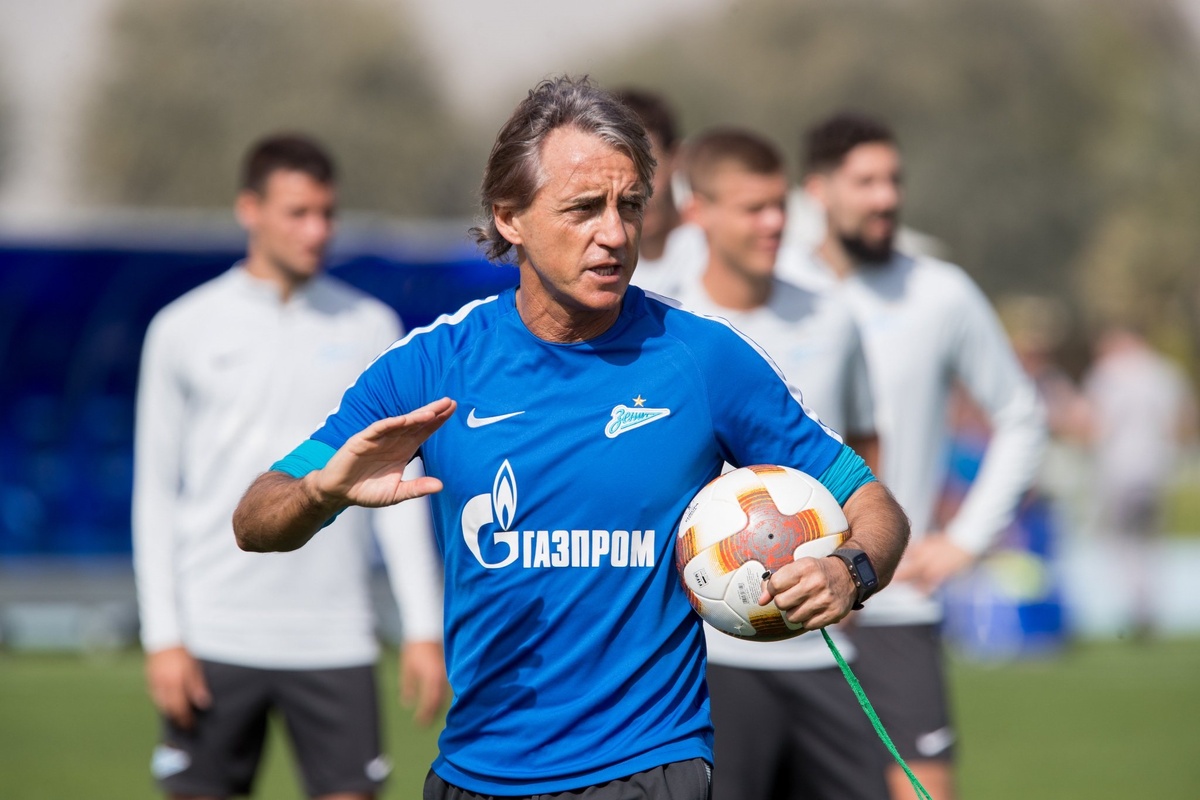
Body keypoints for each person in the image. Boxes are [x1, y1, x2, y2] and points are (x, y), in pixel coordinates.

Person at [231, 77, 911, 800]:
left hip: (647, 766)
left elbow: (872, 503)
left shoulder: (704, 358)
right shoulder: (434, 364)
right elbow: (256, 518)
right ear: (510, 218)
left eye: (630, 206)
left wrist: (850, 571)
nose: (615, 234)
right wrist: (319, 494)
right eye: (584, 208)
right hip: (473, 772)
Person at [133, 134, 448, 800]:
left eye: (327, 214)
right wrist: (162, 636)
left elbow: (393, 490)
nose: (317, 231)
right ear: (250, 209)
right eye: (298, 213)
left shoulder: (371, 326)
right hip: (214, 631)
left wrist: (423, 625)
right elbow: (155, 495)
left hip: (336, 636)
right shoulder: (182, 328)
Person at [784, 112, 1047, 800]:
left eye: (893, 180)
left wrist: (965, 540)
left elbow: (1021, 415)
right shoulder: (775, 293)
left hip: (896, 607)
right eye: (865, 181)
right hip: (779, 616)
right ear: (818, 191)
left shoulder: (941, 292)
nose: (886, 197)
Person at [675, 127, 886, 799]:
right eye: (752, 208)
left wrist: (851, 568)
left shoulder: (833, 317)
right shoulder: (664, 325)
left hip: (825, 646)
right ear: (698, 211)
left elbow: (862, 447)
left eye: (779, 206)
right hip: (713, 657)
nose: (773, 224)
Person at [1083, 324, 1198, 639]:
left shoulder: (1108, 373)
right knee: (1150, 542)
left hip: (1118, 469)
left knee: (1122, 540)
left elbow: (1097, 423)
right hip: (1157, 468)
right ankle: (1148, 606)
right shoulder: (1166, 372)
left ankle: (1137, 607)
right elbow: (1183, 421)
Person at [614, 87, 706, 297]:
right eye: (617, 175)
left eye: (646, 169)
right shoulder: (598, 267)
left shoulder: (715, 247)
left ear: (676, 158)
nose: (634, 192)